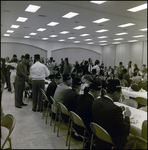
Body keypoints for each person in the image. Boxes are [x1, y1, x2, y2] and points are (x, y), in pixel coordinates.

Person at [92, 78, 131, 149]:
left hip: (100, 138)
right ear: (116, 94)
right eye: (120, 94)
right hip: (112, 141)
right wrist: (127, 116)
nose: (120, 96)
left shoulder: (96, 102)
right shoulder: (115, 109)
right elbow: (125, 130)